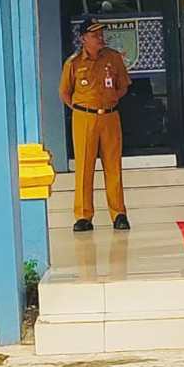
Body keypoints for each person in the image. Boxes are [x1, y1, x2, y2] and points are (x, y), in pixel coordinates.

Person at [59, 19, 132, 232]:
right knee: (84, 167)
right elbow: (64, 92)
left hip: (109, 116)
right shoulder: (73, 63)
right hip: (84, 118)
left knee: (113, 166)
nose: (100, 38)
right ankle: (83, 215)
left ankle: (118, 214)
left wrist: (111, 99)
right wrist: (81, 108)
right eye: (94, 35)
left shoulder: (113, 58)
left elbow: (123, 85)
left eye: (101, 34)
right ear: (83, 39)